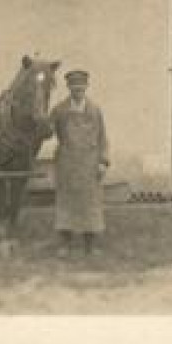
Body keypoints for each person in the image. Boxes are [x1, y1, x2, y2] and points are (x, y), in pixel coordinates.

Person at [50, 69, 109, 256]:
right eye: (74, 88)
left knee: (89, 205)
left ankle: (90, 246)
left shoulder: (95, 110)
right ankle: (64, 245)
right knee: (66, 204)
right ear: (69, 89)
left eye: (81, 88)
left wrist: (103, 162)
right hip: (67, 163)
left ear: (86, 88)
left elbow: (103, 138)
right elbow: (50, 131)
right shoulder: (59, 111)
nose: (78, 91)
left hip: (90, 165)